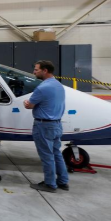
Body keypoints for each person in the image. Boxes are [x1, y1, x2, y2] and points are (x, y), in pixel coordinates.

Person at [24, 60, 69, 193]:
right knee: (56, 154)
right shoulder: (59, 85)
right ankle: (63, 181)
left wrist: (26, 102)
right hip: (56, 125)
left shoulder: (42, 88)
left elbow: (29, 105)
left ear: (45, 71)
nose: (34, 72)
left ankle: (50, 184)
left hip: (43, 126)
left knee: (47, 156)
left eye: (36, 70)